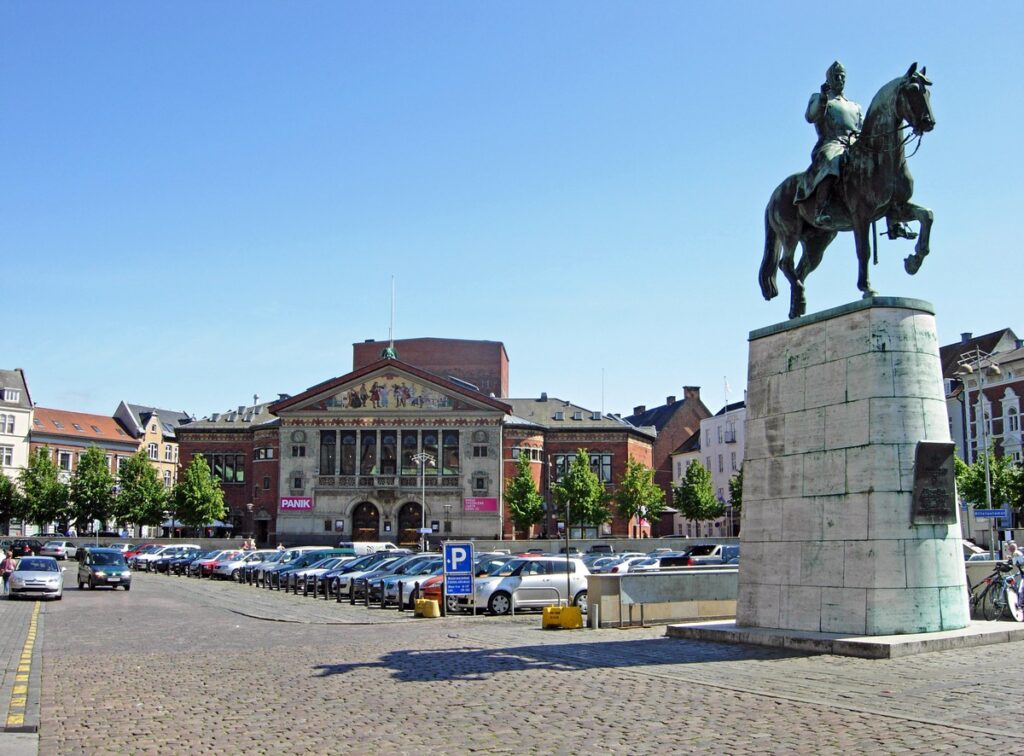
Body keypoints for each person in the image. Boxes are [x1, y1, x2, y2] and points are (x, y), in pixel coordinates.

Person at [795, 61, 863, 226]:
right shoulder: (820, 98)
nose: (840, 79)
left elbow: (862, 129)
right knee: (831, 160)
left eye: (842, 76)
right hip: (831, 142)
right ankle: (821, 208)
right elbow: (810, 117)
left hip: (854, 144)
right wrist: (823, 98)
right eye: (836, 76)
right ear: (829, 79)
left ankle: (893, 216)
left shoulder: (855, 106)